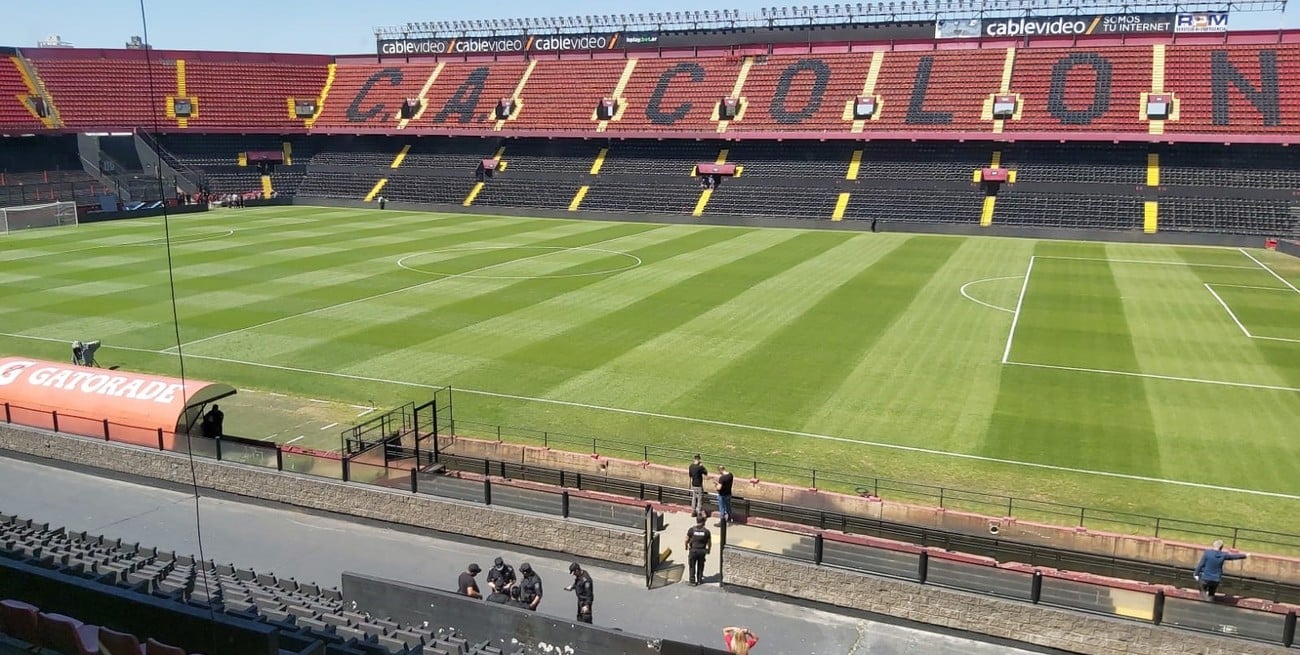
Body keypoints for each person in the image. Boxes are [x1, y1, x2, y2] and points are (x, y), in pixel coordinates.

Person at [685, 514, 712, 586]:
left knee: (692, 565)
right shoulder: (706, 532)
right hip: (702, 551)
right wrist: (709, 550)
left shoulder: (691, 530)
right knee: (700, 566)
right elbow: (709, 543)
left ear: (697, 521)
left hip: (693, 551)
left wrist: (686, 546)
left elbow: (686, 540)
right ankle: (699, 580)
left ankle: (692, 581)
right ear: (703, 522)